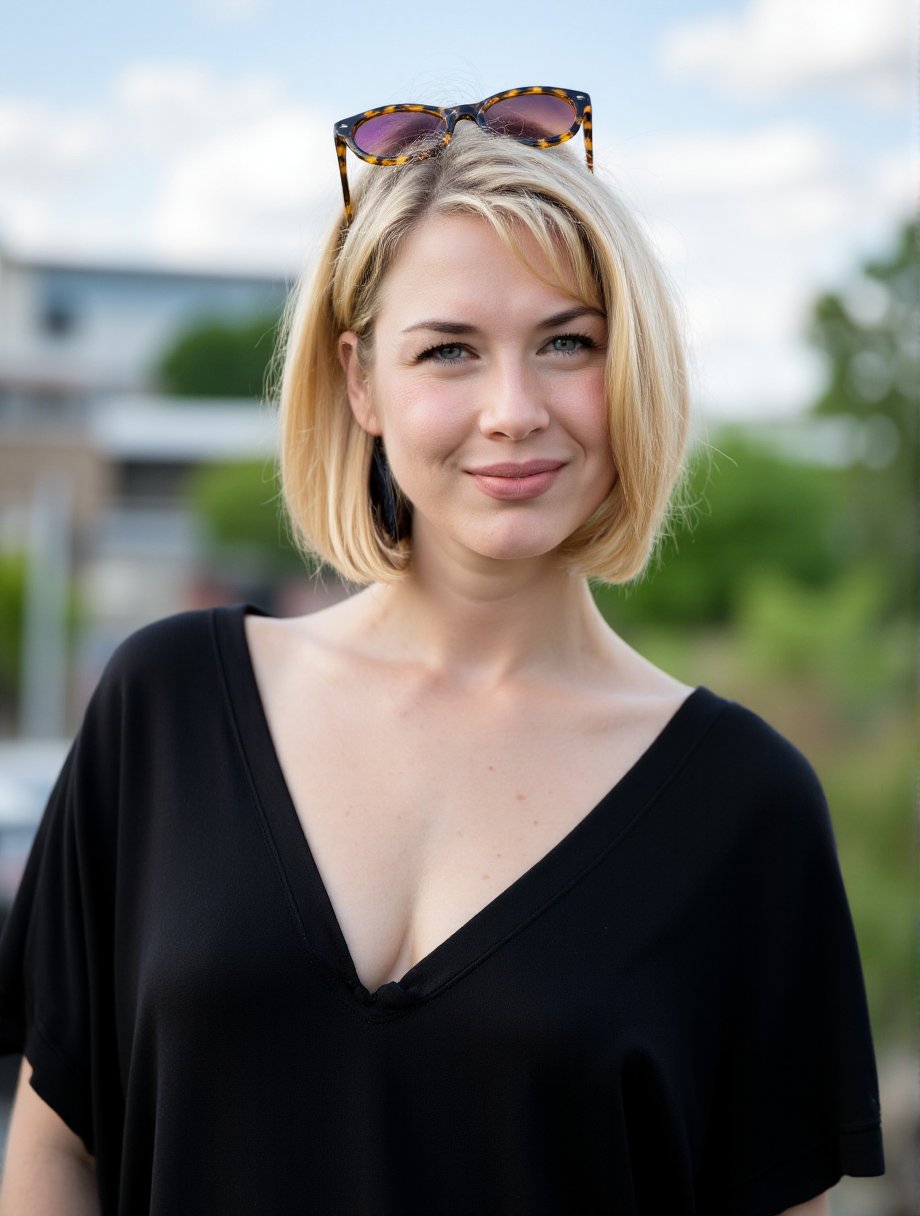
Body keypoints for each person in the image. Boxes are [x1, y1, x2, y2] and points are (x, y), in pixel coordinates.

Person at [0, 87, 884, 1215]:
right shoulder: (163, 710)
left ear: (631, 374)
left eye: (566, 342)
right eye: (449, 351)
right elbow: (60, 1141)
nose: (512, 410)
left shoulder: (744, 805)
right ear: (362, 379)